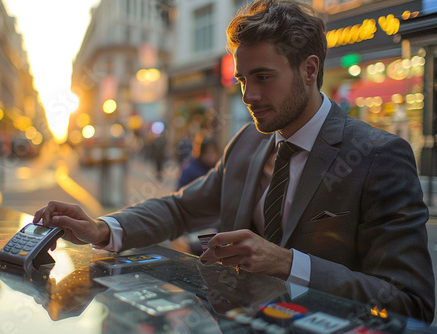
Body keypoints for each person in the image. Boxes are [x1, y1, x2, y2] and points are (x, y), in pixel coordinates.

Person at [34, 0, 435, 323]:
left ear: (309, 69)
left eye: (263, 77)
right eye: (243, 80)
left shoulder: (379, 156)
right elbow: (180, 208)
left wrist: (288, 263)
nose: (248, 95)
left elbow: (410, 301)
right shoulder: (247, 141)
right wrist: (103, 228)